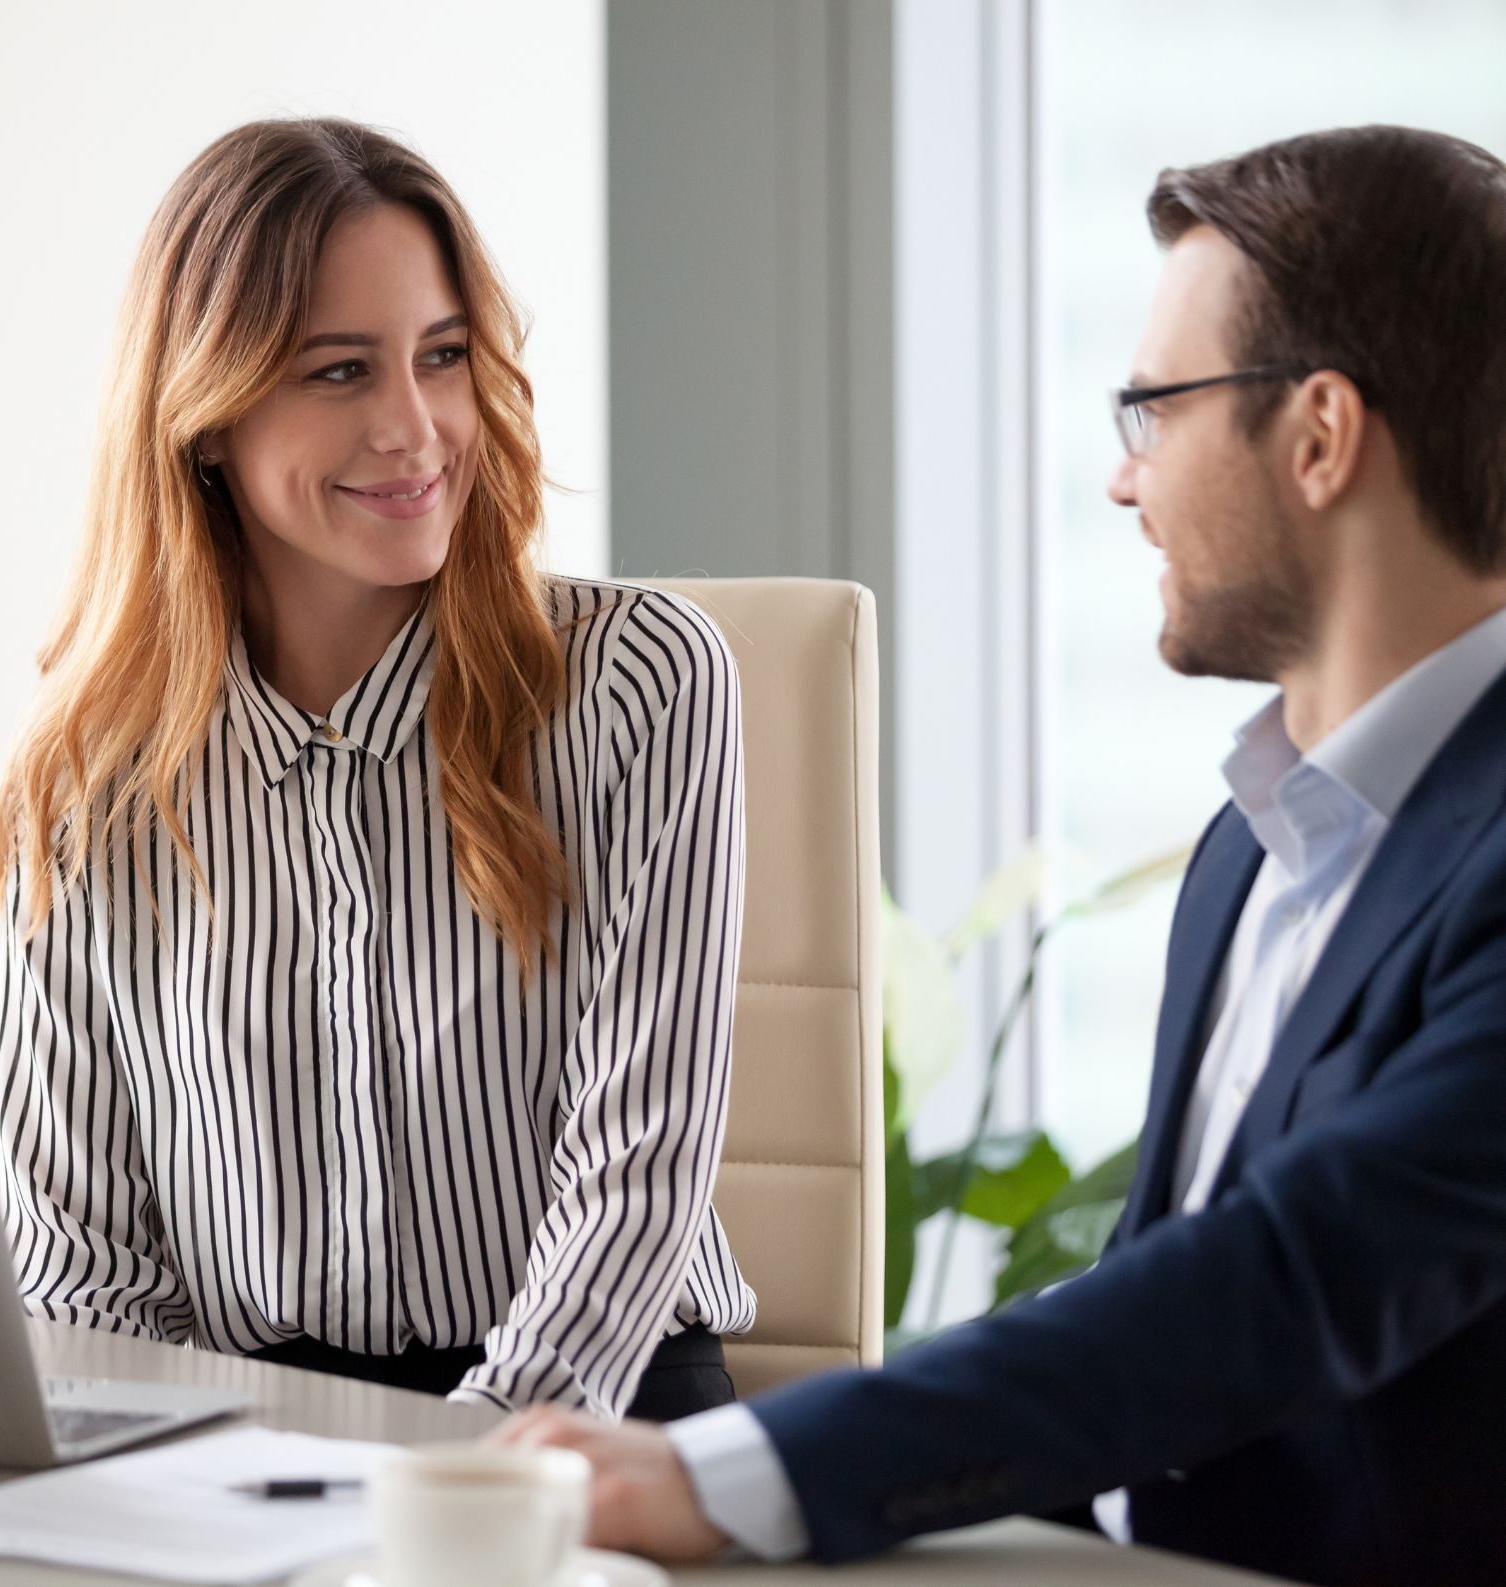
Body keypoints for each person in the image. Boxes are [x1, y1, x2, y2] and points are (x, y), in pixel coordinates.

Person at [499, 125, 1506, 1587]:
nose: (1122, 478)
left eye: (1154, 407)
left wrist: (730, 1471)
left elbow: (1288, 1278)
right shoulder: (1254, 846)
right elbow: (1157, 1302)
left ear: (1320, 434)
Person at [0, 118, 756, 1420]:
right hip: (248, 1439)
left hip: (597, 1412)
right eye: (340, 371)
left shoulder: (640, 681)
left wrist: (457, 1493)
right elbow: (81, 1262)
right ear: (205, 417)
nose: (417, 427)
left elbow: (636, 1180)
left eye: (443, 358)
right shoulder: (89, 782)